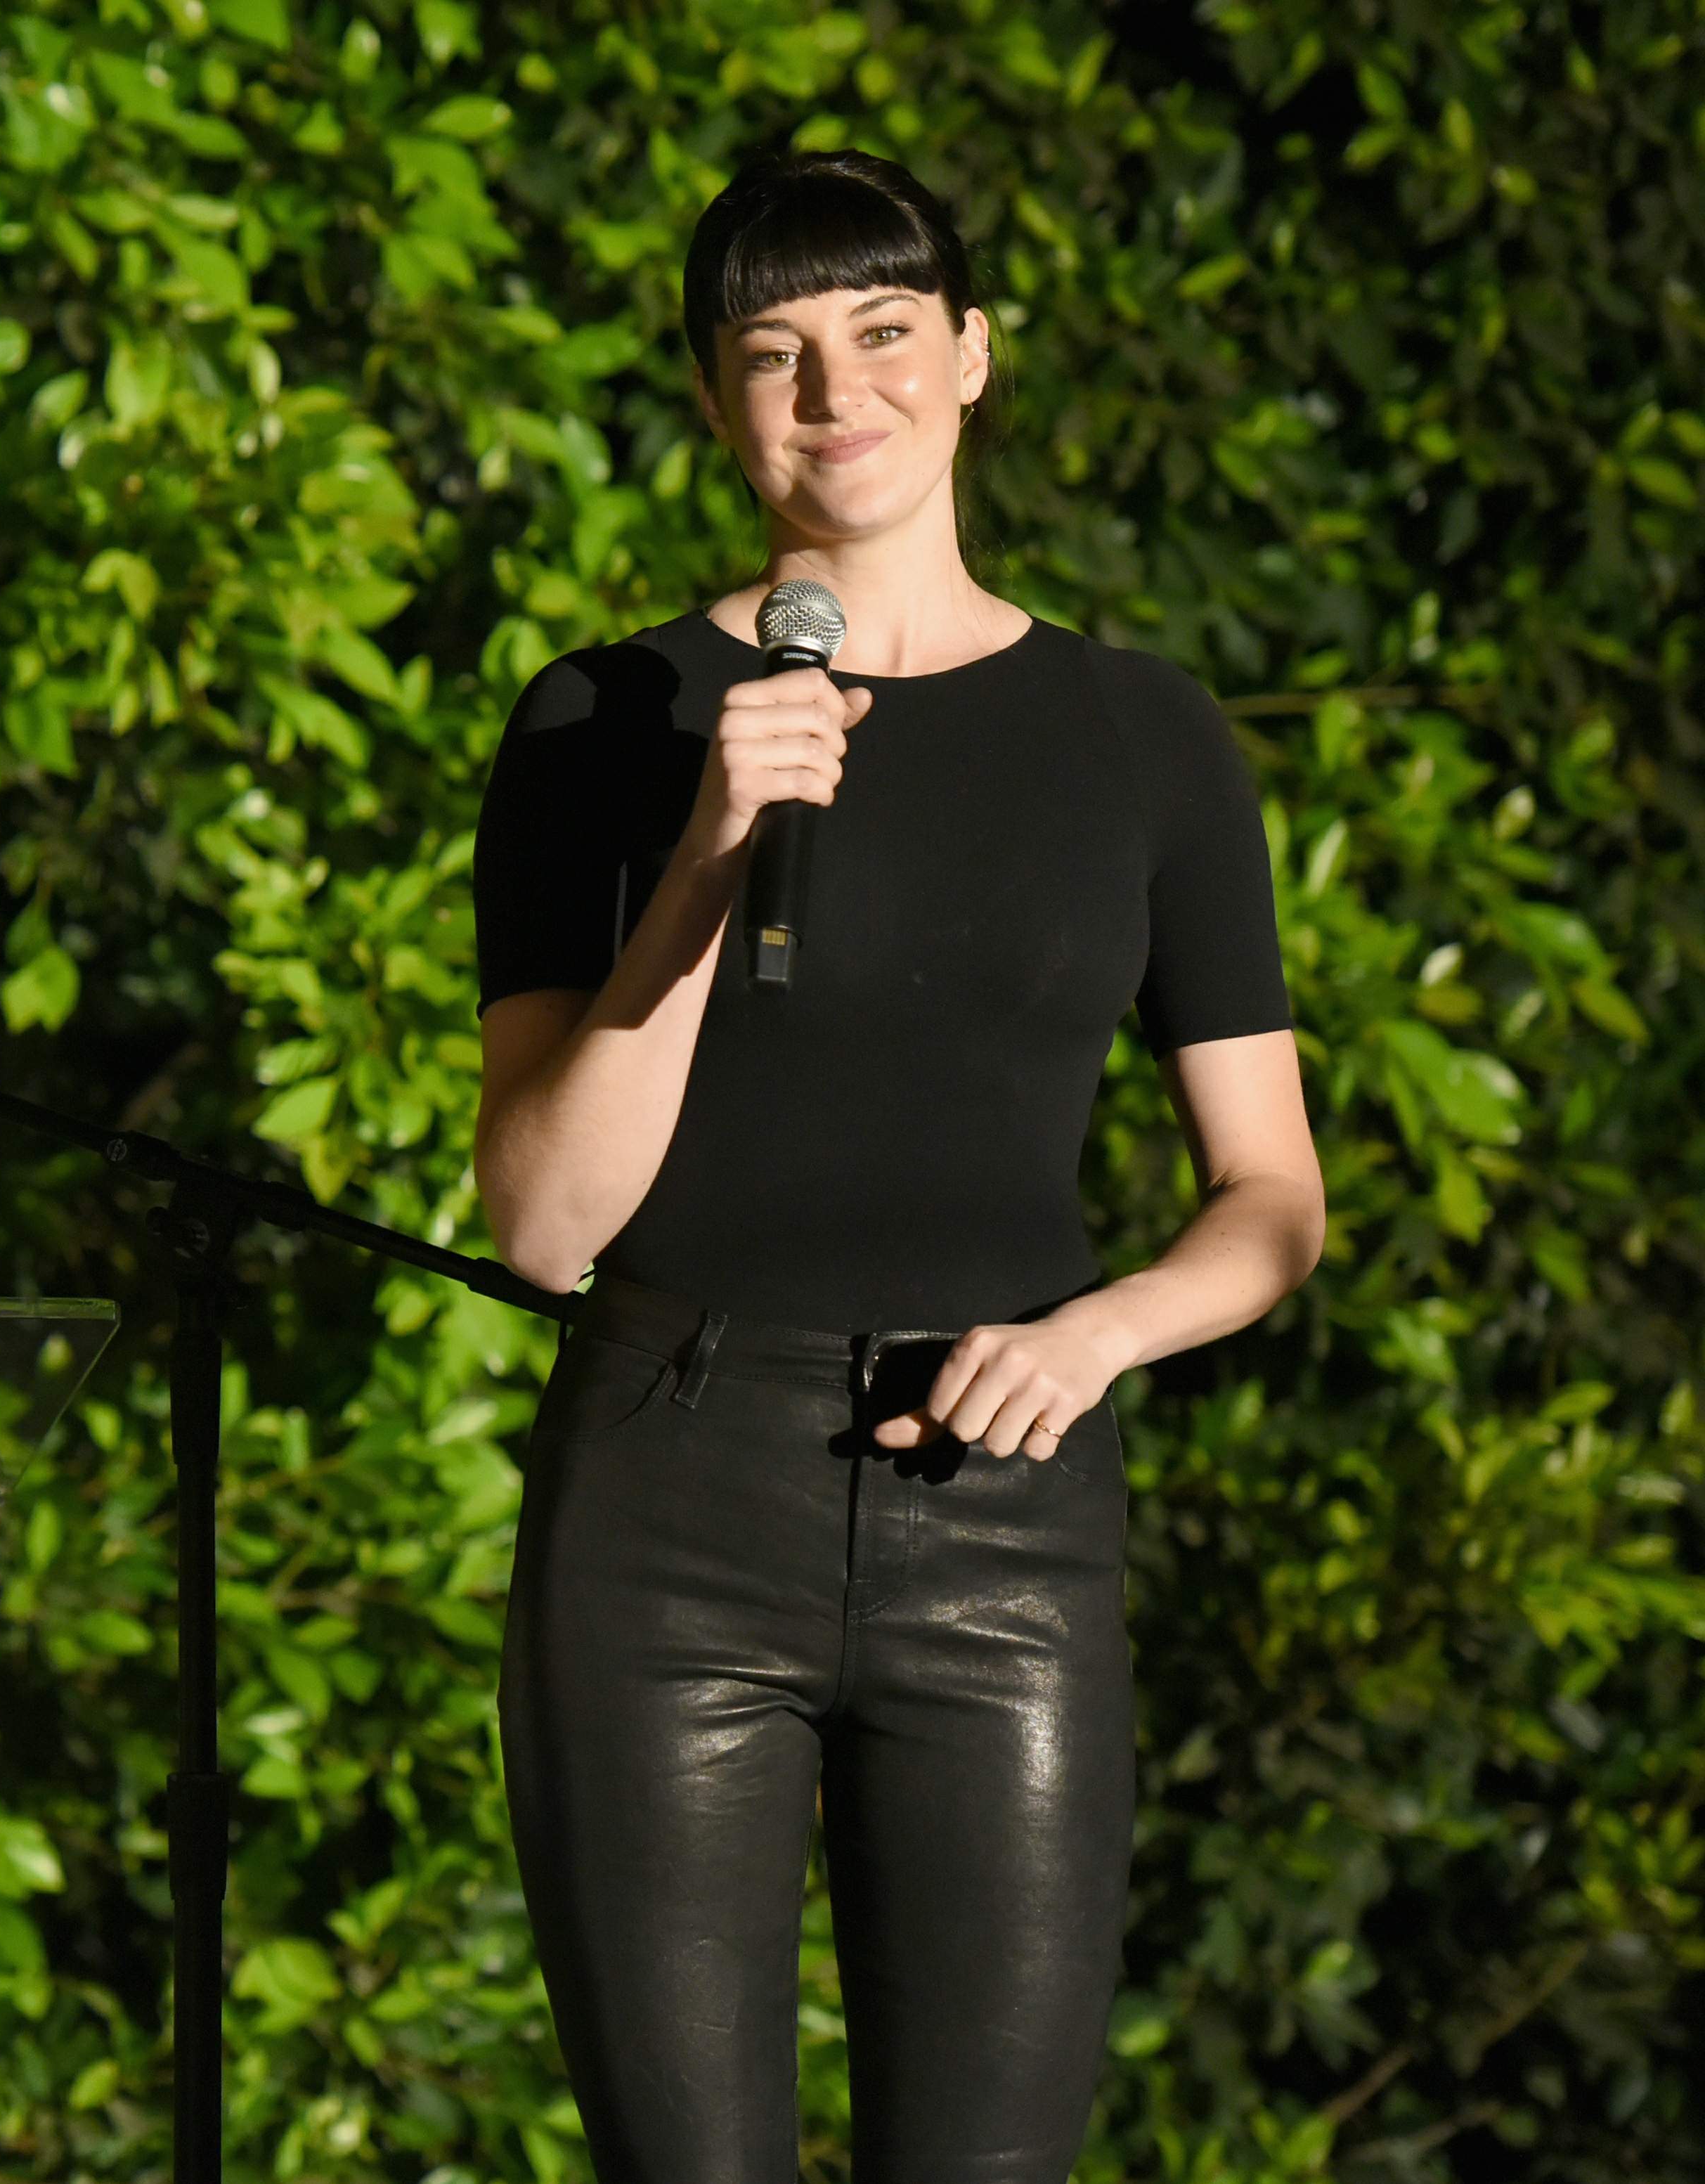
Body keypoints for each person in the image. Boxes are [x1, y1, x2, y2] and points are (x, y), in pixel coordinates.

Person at [471, 152, 1324, 2182]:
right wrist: (702, 855)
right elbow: (544, 1222)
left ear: (969, 355)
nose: (831, 389)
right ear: (714, 401)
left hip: (1003, 1509)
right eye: (772, 352)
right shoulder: (608, 719)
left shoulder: (1143, 734)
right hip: (672, 1499)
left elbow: (1270, 1196)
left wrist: (1102, 1330)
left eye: (875, 333)